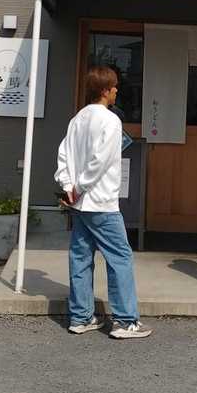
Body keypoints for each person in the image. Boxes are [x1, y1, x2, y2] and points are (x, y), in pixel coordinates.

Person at [56, 66, 151, 339]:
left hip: (80, 204)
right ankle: (125, 321)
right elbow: (101, 161)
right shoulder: (110, 121)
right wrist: (80, 187)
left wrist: (69, 187)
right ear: (105, 90)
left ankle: (81, 317)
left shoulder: (77, 119)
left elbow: (63, 155)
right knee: (120, 257)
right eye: (114, 86)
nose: (117, 90)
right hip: (101, 202)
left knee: (80, 258)